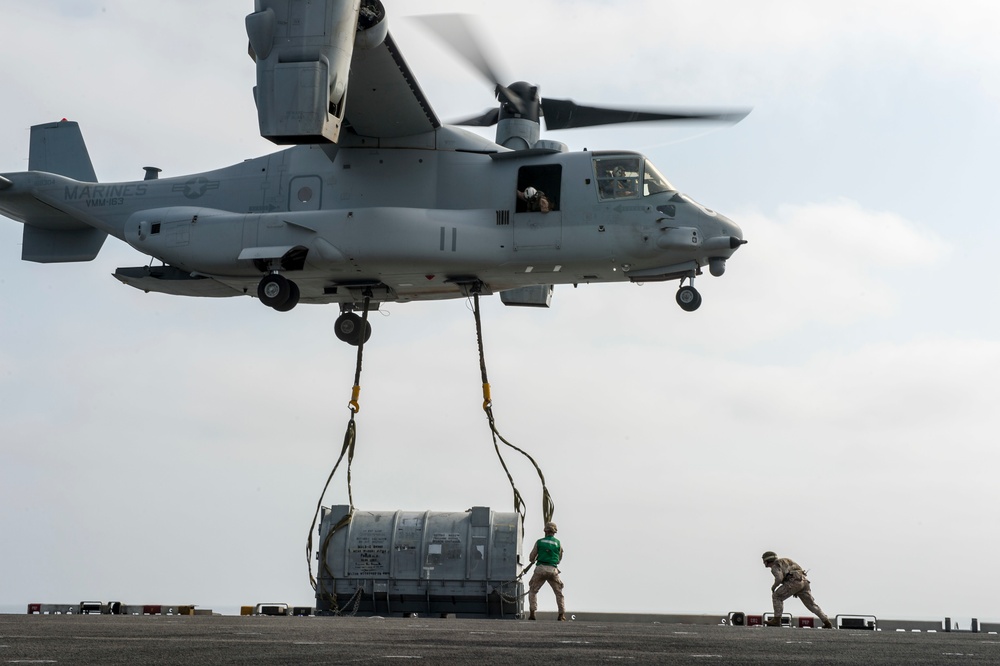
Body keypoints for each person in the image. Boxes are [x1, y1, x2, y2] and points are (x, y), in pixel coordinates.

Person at [762, 551, 833, 629]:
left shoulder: (775, 566)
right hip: (803, 581)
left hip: (793, 582)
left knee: (776, 596)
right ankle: (826, 622)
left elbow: (779, 578)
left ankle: (776, 620)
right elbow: (798, 569)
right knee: (811, 605)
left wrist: (773, 587)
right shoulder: (785, 560)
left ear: (768, 560)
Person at [527, 522, 565, 621]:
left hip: (540, 569)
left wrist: (535, 558)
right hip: (553, 570)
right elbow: (559, 558)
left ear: (545, 531)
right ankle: (561, 614)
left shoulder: (539, 542)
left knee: (533, 590)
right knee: (559, 592)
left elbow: (531, 557)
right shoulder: (558, 543)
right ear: (555, 532)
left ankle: (532, 613)